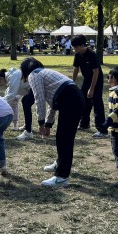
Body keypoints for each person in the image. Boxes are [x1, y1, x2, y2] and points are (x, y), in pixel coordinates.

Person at [22, 57, 84, 188]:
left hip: (70, 99)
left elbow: (39, 99)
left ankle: (61, 177)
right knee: (63, 137)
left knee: (64, 138)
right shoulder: (45, 73)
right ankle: (59, 162)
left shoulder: (34, 75)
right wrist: (48, 124)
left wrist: (40, 123)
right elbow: (53, 103)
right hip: (75, 97)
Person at [71, 35, 106, 138]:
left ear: (82, 45)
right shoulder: (78, 54)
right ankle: (84, 124)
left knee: (97, 103)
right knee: (83, 101)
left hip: (96, 80)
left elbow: (96, 72)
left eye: (76, 47)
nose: (74, 49)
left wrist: (91, 88)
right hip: (87, 79)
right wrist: (72, 82)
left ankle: (102, 130)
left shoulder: (91, 54)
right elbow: (76, 69)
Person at [0, 68, 35, 140]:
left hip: (33, 87)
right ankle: (28, 126)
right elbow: (10, 94)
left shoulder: (13, 77)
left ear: (1, 79)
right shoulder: (11, 77)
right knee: (25, 102)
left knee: (26, 102)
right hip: (31, 88)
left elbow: (11, 95)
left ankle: (28, 131)